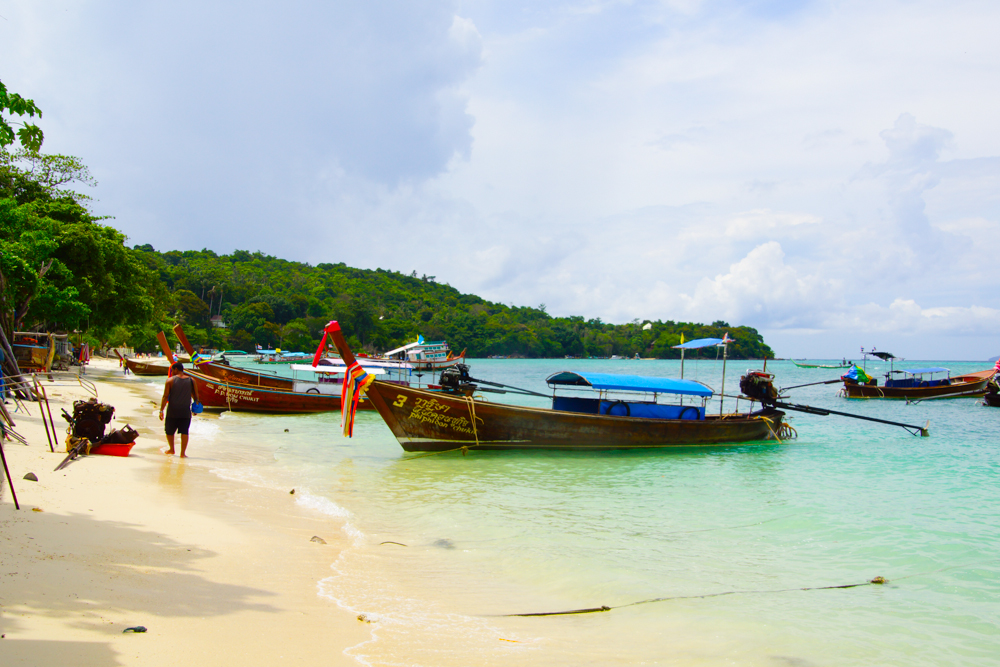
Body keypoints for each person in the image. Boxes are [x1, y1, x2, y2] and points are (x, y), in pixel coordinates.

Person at [159, 362, 200, 457]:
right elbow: (196, 396)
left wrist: (161, 410)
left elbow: (165, 396)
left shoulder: (170, 381)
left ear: (176, 369)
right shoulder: (191, 380)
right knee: (184, 432)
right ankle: (182, 453)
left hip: (172, 411)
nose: (172, 372)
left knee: (169, 431)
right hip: (185, 411)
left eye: (172, 370)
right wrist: (195, 409)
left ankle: (172, 449)